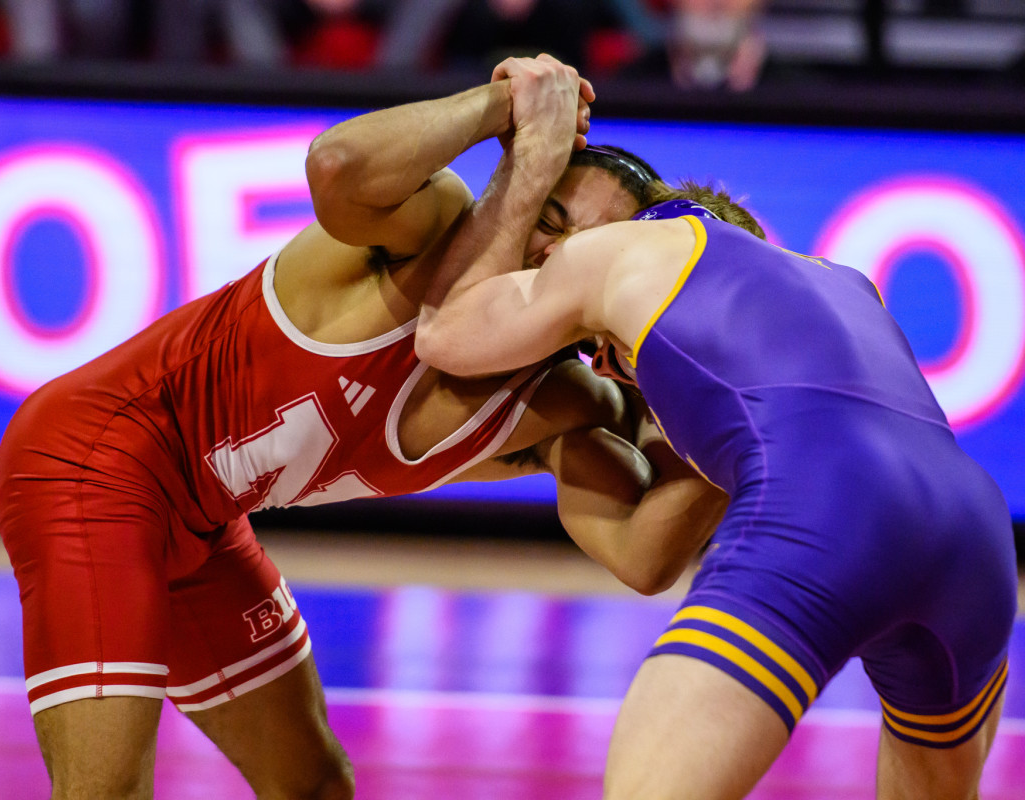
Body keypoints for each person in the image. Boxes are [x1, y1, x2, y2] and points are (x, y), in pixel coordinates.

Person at [0, 55, 726, 799]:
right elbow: (337, 164)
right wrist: (507, 110)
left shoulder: (561, 401)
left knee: (315, 785)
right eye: (547, 217)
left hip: (206, 523)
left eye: (581, 249)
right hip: (92, 459)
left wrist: (727, 425)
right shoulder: (430, 226)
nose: (550, 255)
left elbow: (642, 554)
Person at [414, 62, 1017, 799]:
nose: (545, 257)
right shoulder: (838, 279)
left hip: (829, 504)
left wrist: (529, 165)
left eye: (555, 227)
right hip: (979, 540)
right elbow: (648, 557)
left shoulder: (617, 251)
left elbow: (444, 336)